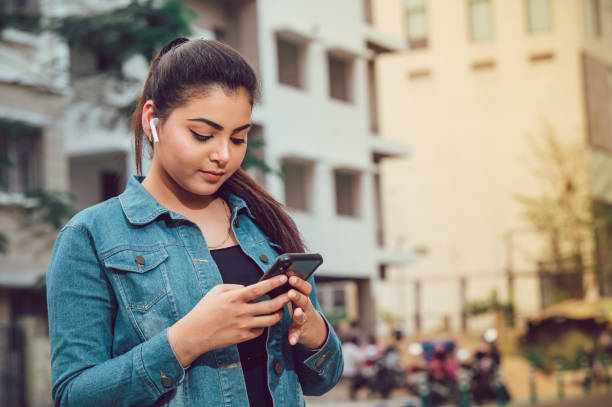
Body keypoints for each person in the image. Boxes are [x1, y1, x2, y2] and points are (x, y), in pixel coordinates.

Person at [46, 38, 343, 407]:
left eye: (238, 138)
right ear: (152, 121)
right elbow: (73, 395)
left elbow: (322, 380)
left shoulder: (266, 225)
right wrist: (187, 340)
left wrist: (313, 331)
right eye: (202, 135)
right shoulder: (90, 236)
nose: (223, 155)